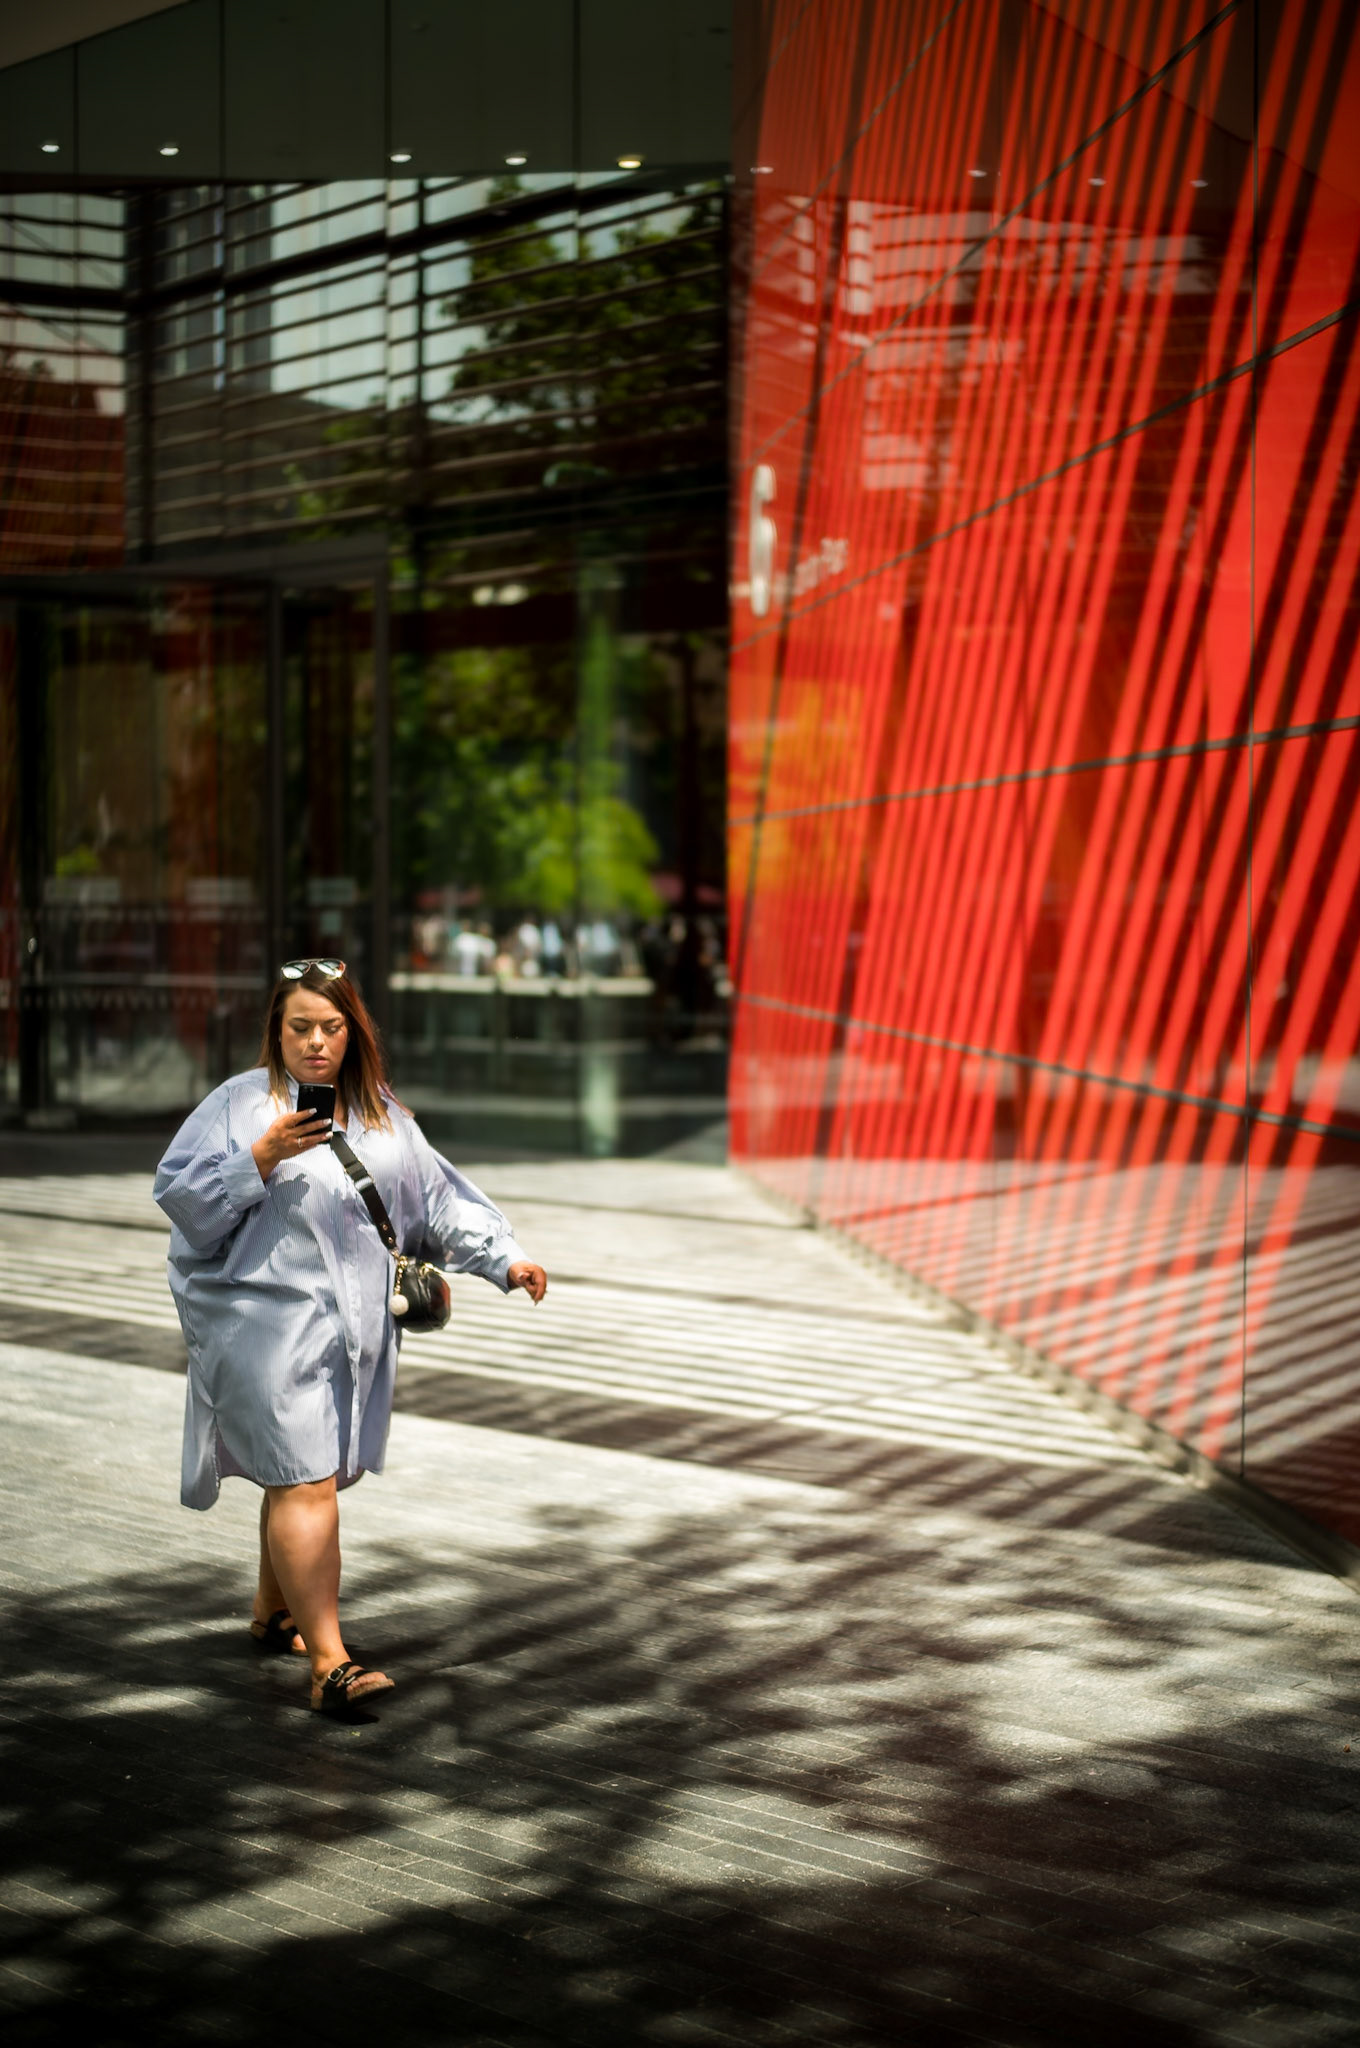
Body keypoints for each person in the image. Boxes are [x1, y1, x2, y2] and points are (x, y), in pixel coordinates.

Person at [153, 958, 547, 1716]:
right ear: (276, 1031)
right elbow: (183, 1202)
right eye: (299, 1026)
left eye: (330, 1027)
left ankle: (274, 1610)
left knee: (304, 1473)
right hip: (259, 1327)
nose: (315, 1042)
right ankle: (330, 1663)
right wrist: (260, 1157)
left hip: (349, 1335)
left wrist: (505, 1259)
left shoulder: (383, 1115)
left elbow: (437, 1203)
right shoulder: (239, 1105)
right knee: (306, 1478)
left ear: (352, 1033)